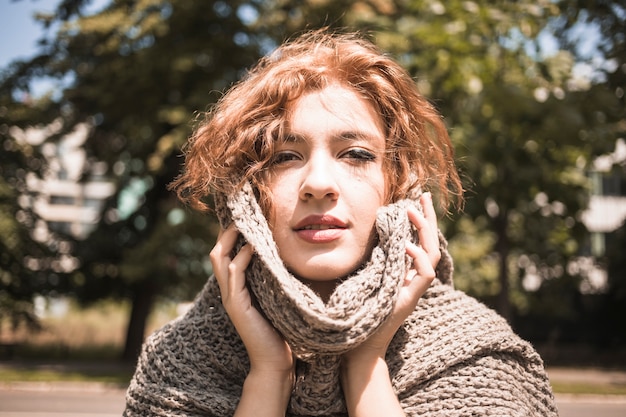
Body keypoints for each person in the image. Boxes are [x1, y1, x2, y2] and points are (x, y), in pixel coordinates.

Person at [123, 29, 559, 417]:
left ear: (398, 183)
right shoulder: (177, 363)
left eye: (355, 154)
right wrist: (269, 375)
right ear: (247, 193)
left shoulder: (478, 355)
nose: (318, 184)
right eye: (285, 157)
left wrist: (366, 361)